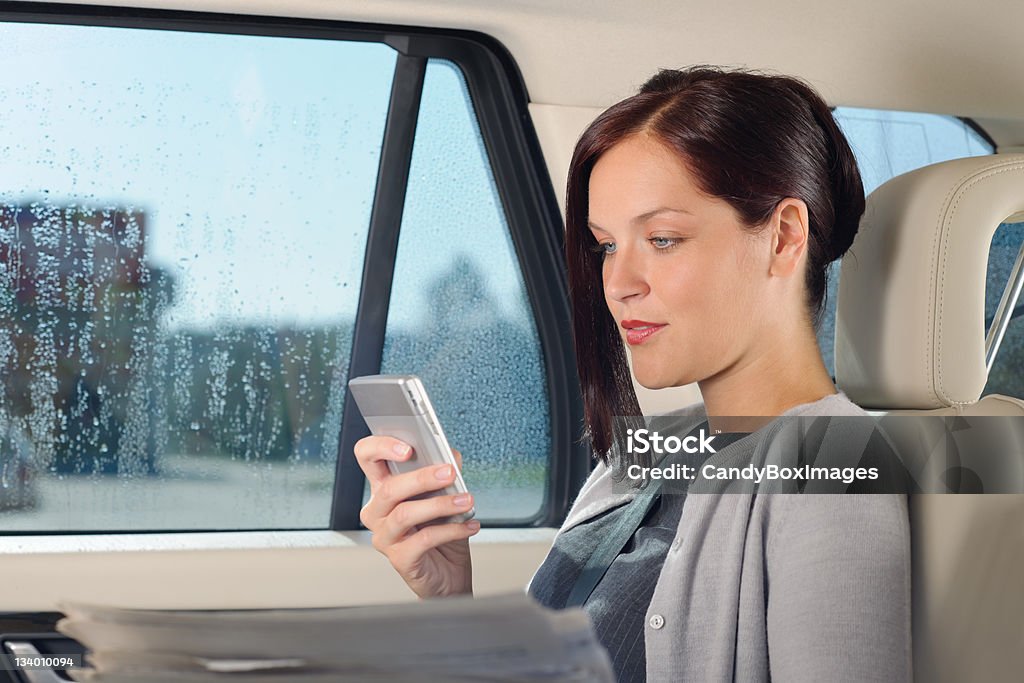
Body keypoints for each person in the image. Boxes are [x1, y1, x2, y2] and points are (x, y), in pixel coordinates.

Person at [353, 66, 911, 681]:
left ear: (782, 236)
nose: (617, 285)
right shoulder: (648, 453)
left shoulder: (834, 472)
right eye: (607, 246)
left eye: (664, 239)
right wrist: (450, 598)